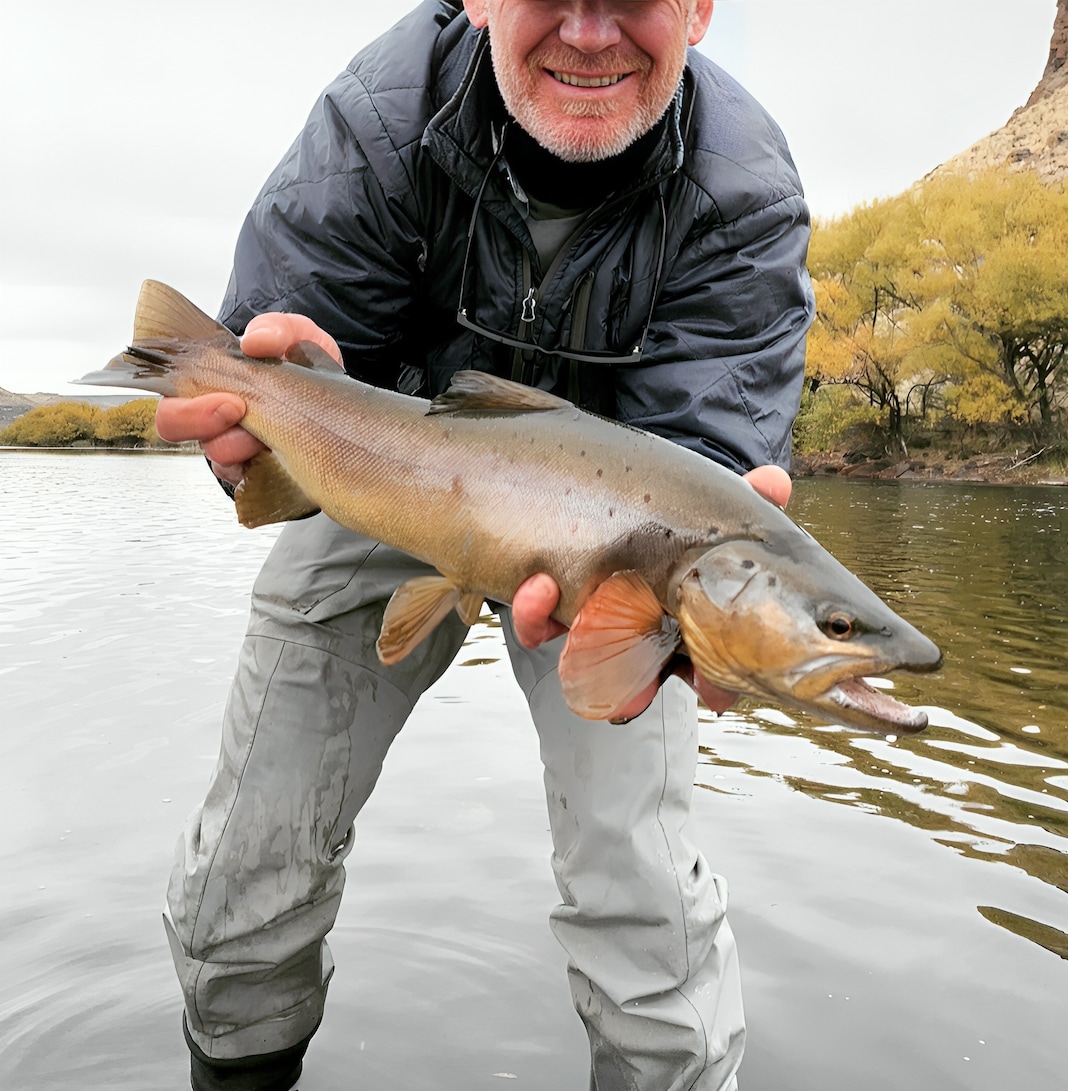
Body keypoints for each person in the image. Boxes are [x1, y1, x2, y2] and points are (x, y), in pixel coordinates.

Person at [156, 1, 813, 1088]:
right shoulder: (381, 116)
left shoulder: (746, 190)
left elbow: (702, 465)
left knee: (648, 916)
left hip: (622, 543)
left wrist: (714, 623)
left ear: (701, 10)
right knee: (248, 876)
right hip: (394, 477)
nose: (592, 30)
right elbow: (291, 357)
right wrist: (251, 421)